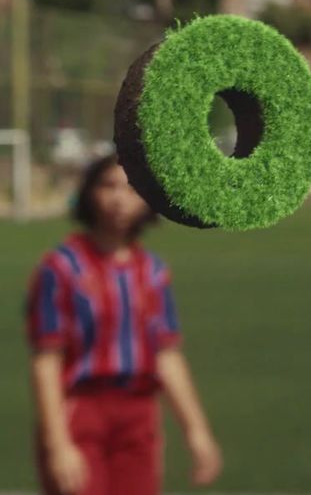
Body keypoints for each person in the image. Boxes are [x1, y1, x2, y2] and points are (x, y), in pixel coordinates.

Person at [25, 155, 223, 495]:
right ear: (89, 192)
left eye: (131, 189)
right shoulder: (62, 267)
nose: (119, 199)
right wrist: (58, 444)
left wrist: (196, 431)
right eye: (108, 186)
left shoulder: (152, 272)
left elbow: (167, 355)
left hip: (138, 413)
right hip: (81, 409)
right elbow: (47, 360)